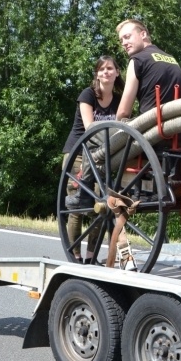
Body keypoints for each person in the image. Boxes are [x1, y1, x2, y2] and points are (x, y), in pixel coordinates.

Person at [63, 56, 125, 260]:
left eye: (110, 68)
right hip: (79, 154)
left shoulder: (119, 100)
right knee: (77, 207)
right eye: (102, 69)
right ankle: (75, 256)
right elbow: (89, 127)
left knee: (102, 207)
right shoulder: (88, 95)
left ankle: (90, 257)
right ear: (97, 74)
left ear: (117, 72)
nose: (106, 72)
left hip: (101, 156)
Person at [115, 18, 181, 148]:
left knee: (97, 134)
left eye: (127, 37)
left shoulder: (137, 60)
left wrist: (116, 135)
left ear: (143, 34)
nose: (124, 43)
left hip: (153, 136)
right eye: (121, 40)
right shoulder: (171, 58)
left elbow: (123, 113)